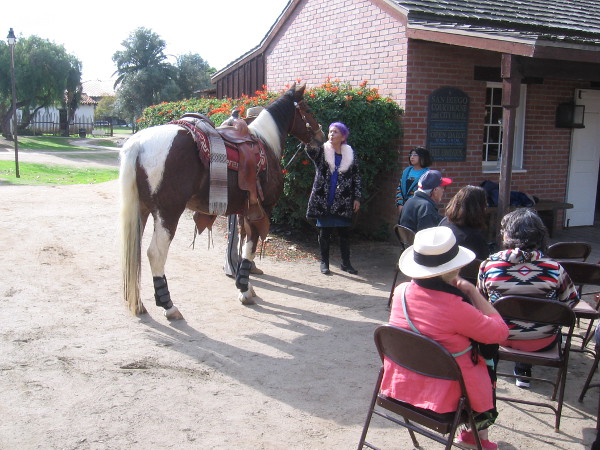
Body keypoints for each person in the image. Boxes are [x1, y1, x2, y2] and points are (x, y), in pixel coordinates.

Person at [383, 226, 509, 449]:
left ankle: (476, 437)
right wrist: (472, 292)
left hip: (402, 386)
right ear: (454, 267)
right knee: (488, 358)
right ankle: (477, 437)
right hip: (446, 397)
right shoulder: (456, 307)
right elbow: (500, 332)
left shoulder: (401, 291)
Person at [478, 208, 579, 388]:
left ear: (506, 235)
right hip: (543, 341)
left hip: (500, 337)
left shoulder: (488, 265)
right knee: (533, 315)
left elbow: (481, 304)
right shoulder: (555, 269)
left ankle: (490, 378)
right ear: (540, 235)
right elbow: (570, 303)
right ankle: (523, 371)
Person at [305, 122, 361, 275]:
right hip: (324, 199)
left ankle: (346, 263)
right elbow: (310, 150)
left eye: (335, 132)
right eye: (330, 132)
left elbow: (356, 177)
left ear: (343, 136)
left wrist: (357, 197)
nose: (331, 134)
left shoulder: (350, 154)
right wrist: (313, 134)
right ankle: (324, 263)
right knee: (324, 233)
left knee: (344, 234)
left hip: (343, 200)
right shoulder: (322, 151)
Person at [223, 106, 265, 278]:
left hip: (250, 190)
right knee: (234, 226)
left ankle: (246, 260)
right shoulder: (237, 140)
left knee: (248, 226)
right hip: (236, 188)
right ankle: (230, 262)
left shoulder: (256, 141)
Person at [440, 185, 490, 260]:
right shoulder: (473, 238)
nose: (486, 207)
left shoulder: (444, 221)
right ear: (478, 208)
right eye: (484, 204)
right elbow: (482, 264)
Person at [396, 147, 432, 219]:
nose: (412, 157)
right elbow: (399, 188)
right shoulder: (406, 171)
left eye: (415, 155)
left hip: (417, 208)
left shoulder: (427, 174)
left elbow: (426, 193)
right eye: (411, 155)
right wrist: (400, 204)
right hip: (403, 207)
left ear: (422, 157)